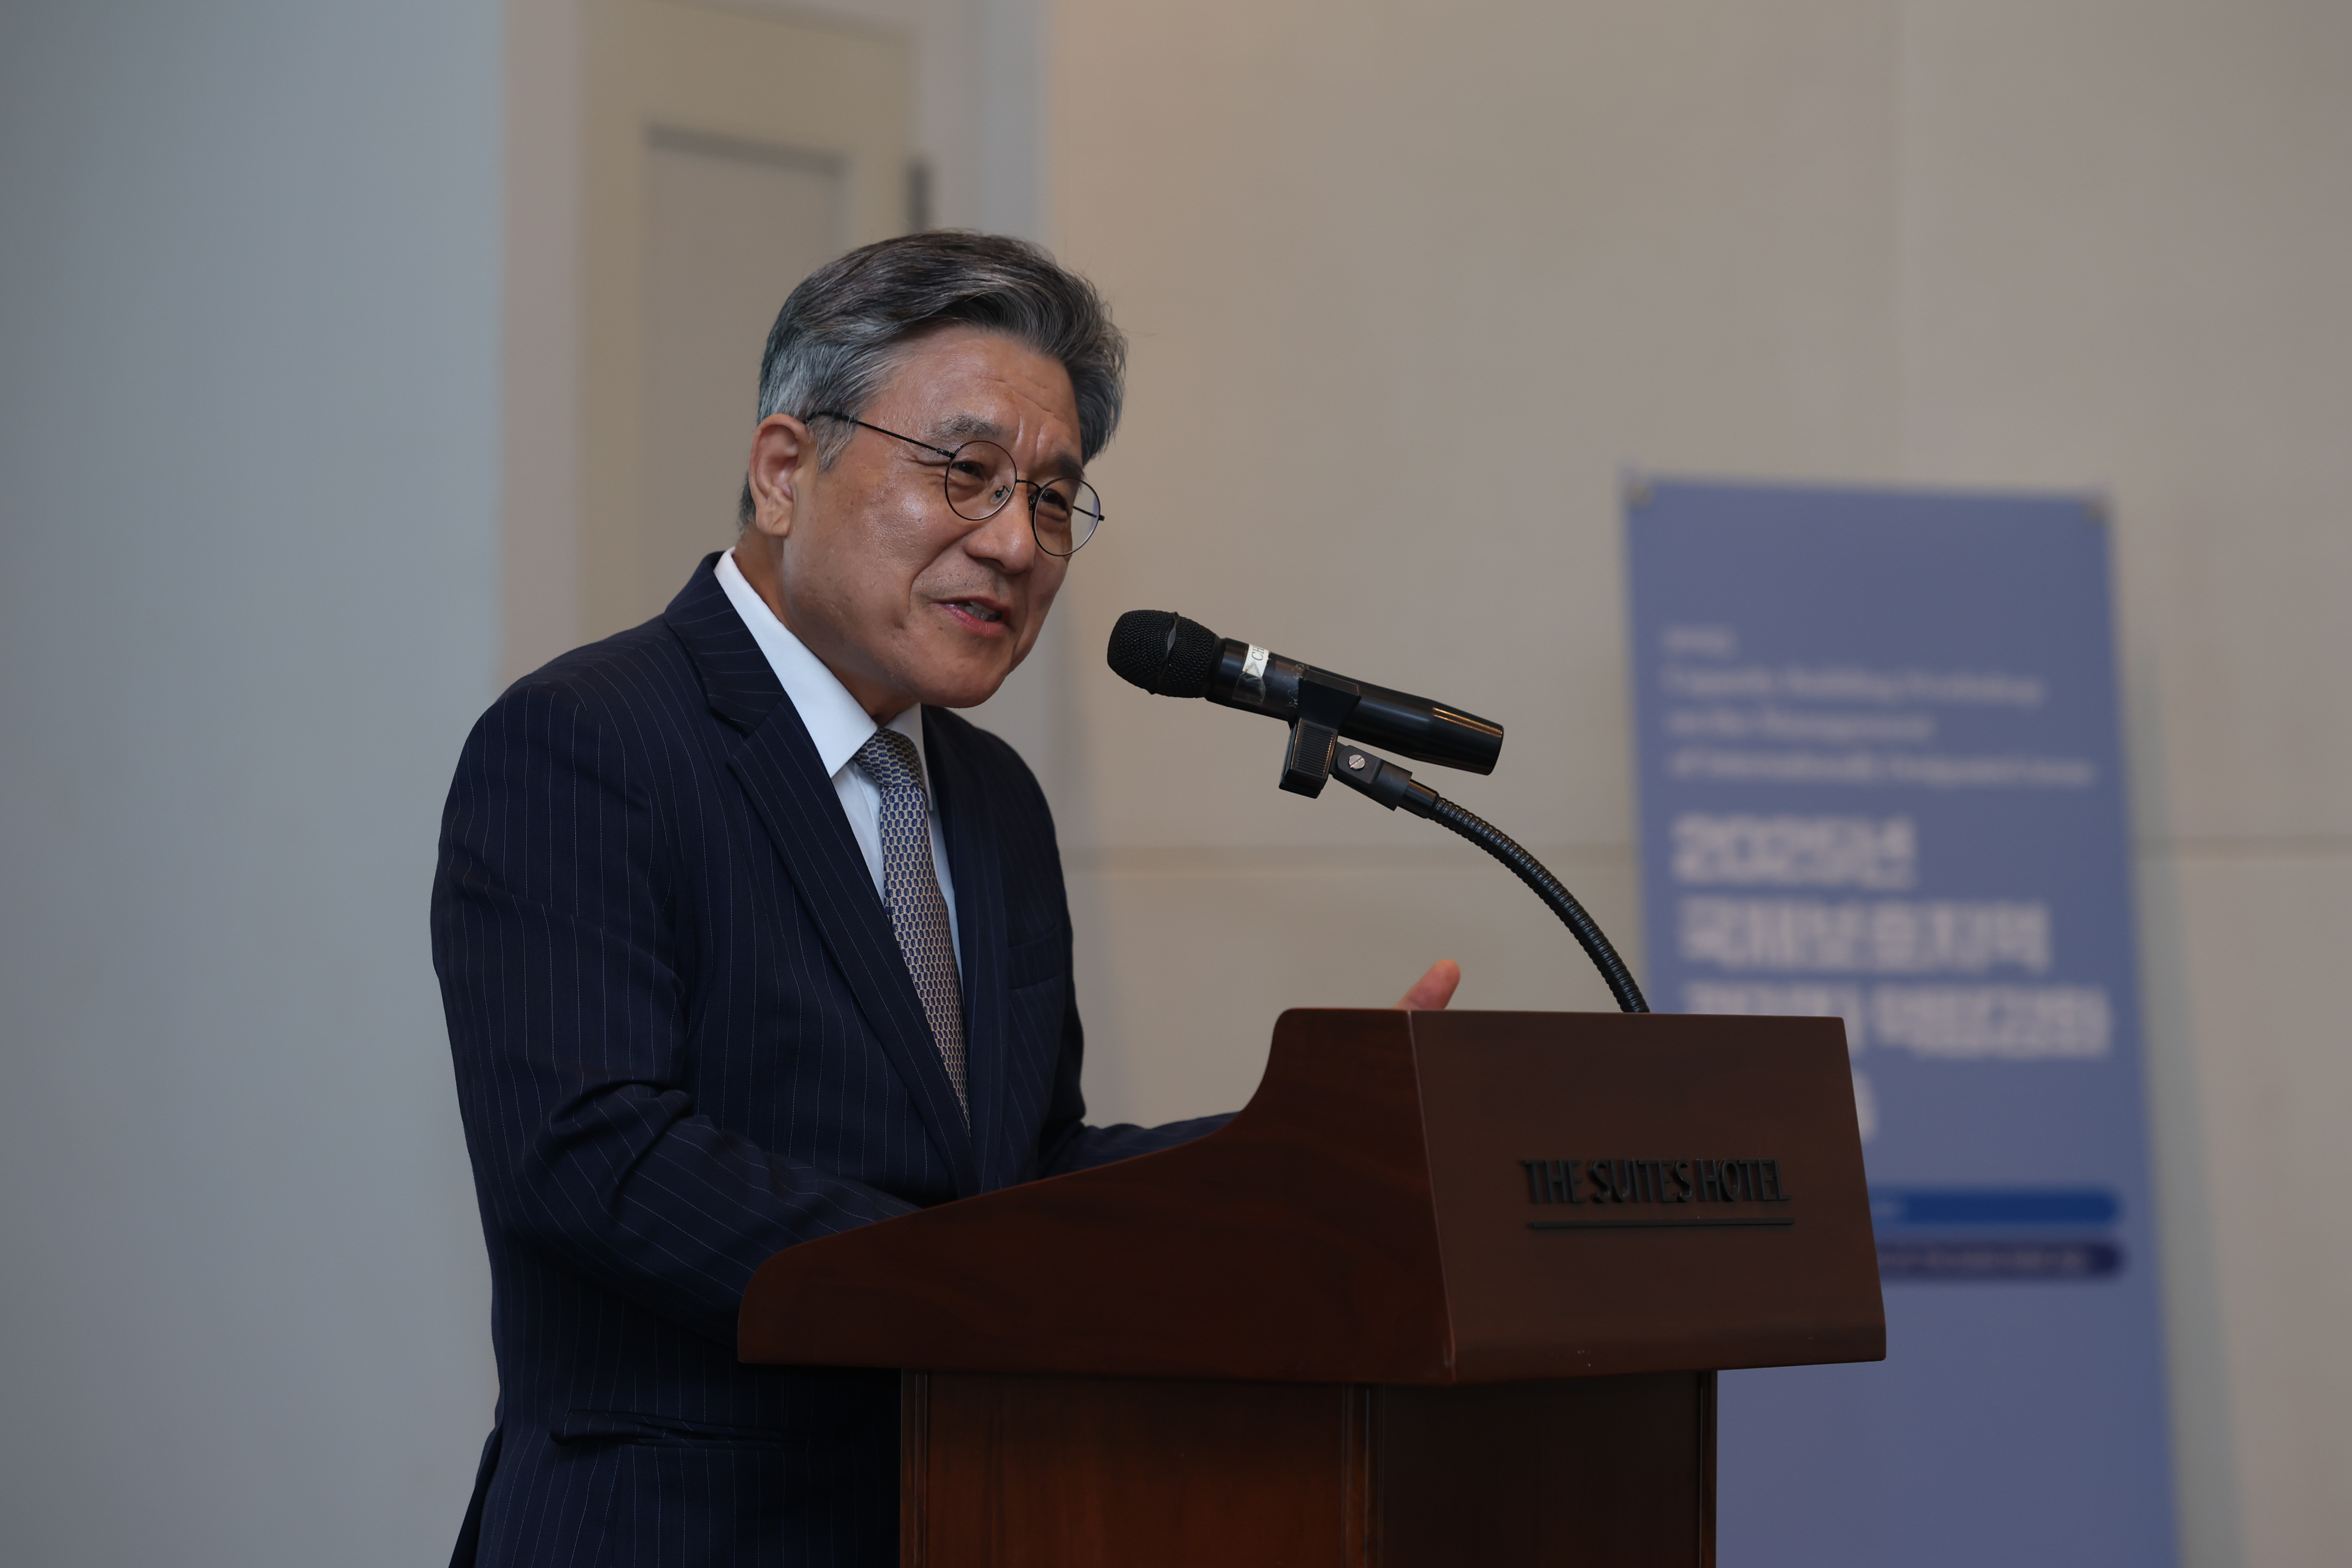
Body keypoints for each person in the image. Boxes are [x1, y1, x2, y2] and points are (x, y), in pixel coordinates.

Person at [431, 232, 1459, 1568]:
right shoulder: (589, 740)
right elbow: (592, 1160)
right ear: (785, 471)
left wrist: (1306, 1144)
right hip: (681, 1527)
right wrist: (988, 1286)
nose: (1016, 543)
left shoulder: (992, 796)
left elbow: (1022, 1169)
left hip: (974, 1509)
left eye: (1054, 498)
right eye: (965, 473)